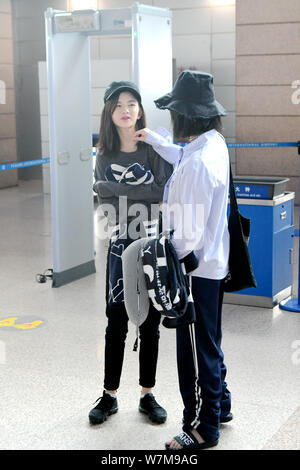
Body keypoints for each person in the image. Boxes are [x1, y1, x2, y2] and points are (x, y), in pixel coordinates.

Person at [134, 70, 232, 450]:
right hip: (213, 265)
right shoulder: (213, 144)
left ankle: (201, 427)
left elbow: (186, 237)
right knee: (210, 340)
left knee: (194, 348)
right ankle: (220, 406)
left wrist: (158, 261)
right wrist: (155, 140)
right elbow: (182, 156)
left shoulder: (197, 164)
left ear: (185, 115)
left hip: (193, 270)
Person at [89, 81, 172, 426]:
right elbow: (103, 202)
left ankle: (147, 394)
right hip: (119, 246)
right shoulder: (105, 154)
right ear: (109, 112)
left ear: (139, 110)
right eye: (118, 104)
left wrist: (112, 187)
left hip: (153, 245)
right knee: (116, 320)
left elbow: (164, 192)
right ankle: (109, 396)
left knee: (150, 323)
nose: (126, 110)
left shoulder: (152, 148)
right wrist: (119, 193)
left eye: (132, 103)